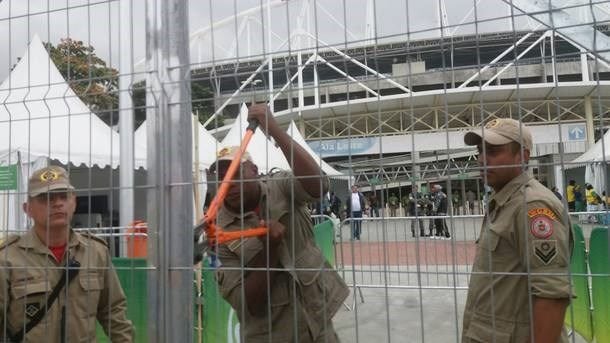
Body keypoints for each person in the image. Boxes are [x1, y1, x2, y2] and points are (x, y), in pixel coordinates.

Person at [210, 104, 349, 342]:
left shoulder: (280, 186)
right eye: (220, 178)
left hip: (317, 323)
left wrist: (274, 129)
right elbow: (246, 303)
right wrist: (270, 250)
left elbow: (319, 186)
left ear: (254, 170)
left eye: (235, 173)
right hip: (271, 335)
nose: (228, 183)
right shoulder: (219, 231)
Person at [462, 118, 572, 342]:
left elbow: (551, 295)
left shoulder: (531, 206)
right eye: (479, 151)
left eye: (492, 151)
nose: (482, 159)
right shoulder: (504, 201)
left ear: (522, 156)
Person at [0, 166, 134, 342]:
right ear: (27, 209)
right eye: (45, 198)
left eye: (64, 196)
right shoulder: (8, 258)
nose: (57, 203)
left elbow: (113, 311)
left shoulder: (95, 251)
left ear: (74, 203)